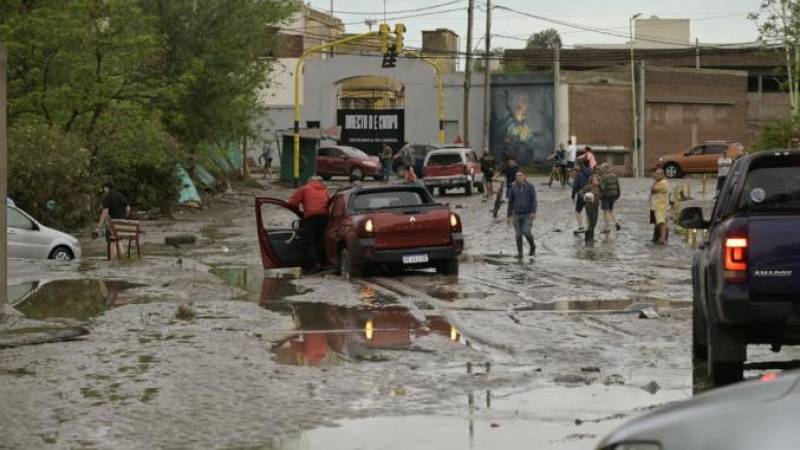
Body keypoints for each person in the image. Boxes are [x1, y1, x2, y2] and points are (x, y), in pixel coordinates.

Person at [288, 176, 330, 272]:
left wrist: (300, 212)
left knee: (308, 242)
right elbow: (328, 203)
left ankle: (315, 263)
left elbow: (292, 203)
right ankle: (323, 263)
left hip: (311, 218)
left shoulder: (304, 188)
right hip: (325, 218)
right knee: (321, 240)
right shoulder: (324, 190)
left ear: (309, 181)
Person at [95, 181, 131, 260]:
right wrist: (124, 218)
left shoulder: (107, 197)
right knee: (118, 240)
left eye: (104, 188)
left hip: (114, 224)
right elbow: (128, 208)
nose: (104, 190)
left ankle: (112, 261)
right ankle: (122, 258)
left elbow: (105, 212)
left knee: (112, 241)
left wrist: (99, 226)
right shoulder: (120, 195)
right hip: (122, 224)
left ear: (107, 188)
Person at [506, 172, 537, 258]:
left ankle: (532, 246)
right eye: (516, 176)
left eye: (520, 176)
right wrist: (508, 216)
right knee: (518, 234)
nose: (518, 177)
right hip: (516, 214)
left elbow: (534, 200)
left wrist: (533, 212)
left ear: (524, 177)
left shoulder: (530, 186)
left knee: (526, 231)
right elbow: (510, 202)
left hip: (527, 214)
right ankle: (520, 253)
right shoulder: (513, 188)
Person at [571, 159, 593, 234]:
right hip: (591, 194)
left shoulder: (579, 173)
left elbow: (575, 186)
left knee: (577, 211)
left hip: (582, 194)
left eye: (576, 165)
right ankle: (589, 227)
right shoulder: (591, 171)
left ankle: (581, 226)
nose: (575, 166)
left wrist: (573, 195)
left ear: (579, 165)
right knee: (588, 212)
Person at [599, 163, 621, 233]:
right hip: (614, 195)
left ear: (605, 168)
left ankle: (607, 227)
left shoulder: (604, 176)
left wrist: (599, 183)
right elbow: (618, 186)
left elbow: (602, 187)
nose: (601, 170)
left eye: (602, 168)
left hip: (606, 196)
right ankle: (616, 222)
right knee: (611, 210)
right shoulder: (615, 175)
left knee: (605, 211)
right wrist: (617, 195)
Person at [580, 175, 602, 244]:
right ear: (591, 180)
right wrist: (585, 197)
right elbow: (580, 192)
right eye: (595, 180)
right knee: (590, 221)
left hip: (596, 206)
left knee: (594, 222)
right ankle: (588, 238)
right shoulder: (588, 186)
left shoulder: (598, 187)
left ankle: (591, 237)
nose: (596, 181)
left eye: (597, 180)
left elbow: (602, 193)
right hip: (589, 206)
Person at [650, 169, 670, 245]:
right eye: (656, 174)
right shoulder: (660, 182)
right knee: (658, 223)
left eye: (658, 174)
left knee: (662, 222)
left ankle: (663, 238)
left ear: (662, 175)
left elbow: (652, 189)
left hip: (661, 206)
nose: (656, 176)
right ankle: (658, 237)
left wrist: (655, 181)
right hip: (656, 205)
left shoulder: (663, 183)